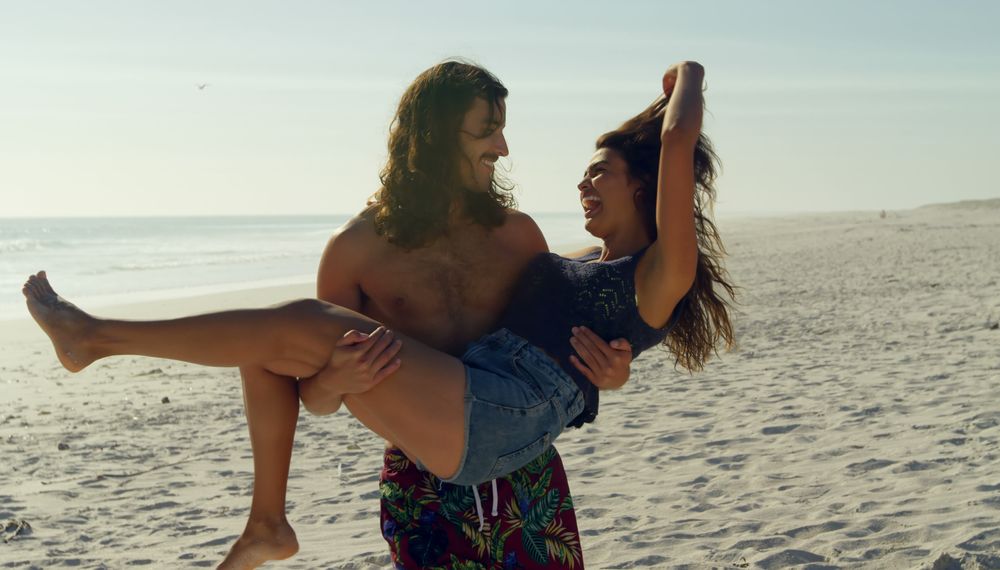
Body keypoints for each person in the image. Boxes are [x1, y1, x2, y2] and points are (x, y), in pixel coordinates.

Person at [23, 60, 736, 568]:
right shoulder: (361, 248)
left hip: (513, 455)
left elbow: (586, 335)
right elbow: (317, 398)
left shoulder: (527, 240)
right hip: (432, 462)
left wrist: (607, 379)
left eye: (502, 130)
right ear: (434, 138)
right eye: (486, 130)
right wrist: (334, 375)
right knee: (273, 334)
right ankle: (266, 520)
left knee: (283, 324)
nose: (505, 147)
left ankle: (94, 340)